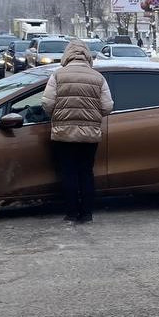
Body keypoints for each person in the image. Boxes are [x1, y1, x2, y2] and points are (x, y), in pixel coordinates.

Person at [41, 40, 113, 224]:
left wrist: (59, 114)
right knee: (86, 172)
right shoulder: (98, 77)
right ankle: (87, 213)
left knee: (68, 172)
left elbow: (47, 104)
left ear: (67, 55)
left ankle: (71, 213)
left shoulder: (57, 75)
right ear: (87, 56)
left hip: (63, 133)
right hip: (90, 134)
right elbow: (107, 106)